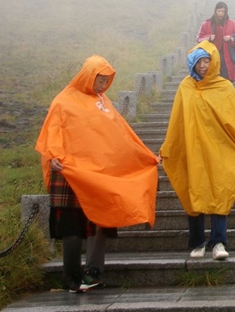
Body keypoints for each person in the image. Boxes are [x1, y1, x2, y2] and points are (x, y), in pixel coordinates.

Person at [35, 55, 159, 292]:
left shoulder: (103, 102)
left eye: (106, 80)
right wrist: (53, 156)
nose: (103, 85)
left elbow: (122, 135)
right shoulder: (63, 101)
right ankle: (71, 276)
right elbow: (52, 131)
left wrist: (146, 157)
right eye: (99, 79)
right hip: (70, 172)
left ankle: (94, 273)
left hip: (99, 173)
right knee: (71, 226)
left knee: (99, 220)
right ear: (87, 76)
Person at [160, 41, 235, 260]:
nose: (203, 66)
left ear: (214, 61)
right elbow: (176, 120)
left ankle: (218, 242)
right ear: (192, 64)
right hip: (193, 149)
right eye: (198, 62)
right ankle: (197, 243)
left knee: (219, 191)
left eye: (207, 61)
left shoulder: (224, 87)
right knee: (194, 191)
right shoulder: (185, 87)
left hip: (220, 149)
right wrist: (168, 147)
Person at [196, 1, 235, 82]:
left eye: (223, 12)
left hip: (227, 58)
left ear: (225, 12)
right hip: (211, 57)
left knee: (226, 81)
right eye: (219, 11)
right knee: (213, 81)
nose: (220, 13)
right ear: (215, 11)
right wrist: (209, 37)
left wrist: (231, 38)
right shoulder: (206, 24)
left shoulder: (233, 24)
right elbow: (198, 39)